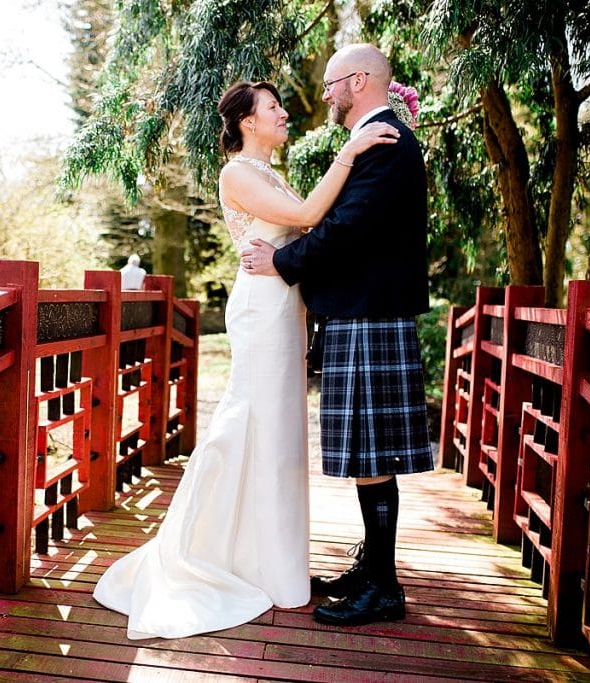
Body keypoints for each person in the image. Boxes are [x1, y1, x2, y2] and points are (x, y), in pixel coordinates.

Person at [92, 78, 398, 640]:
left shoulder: (269, 173)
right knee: (255, 422)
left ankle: (271, 563)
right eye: (275, 108)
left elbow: (307, 226)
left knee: (279, 433)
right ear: (248, 122)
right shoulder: (237, 173)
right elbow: (308, 215)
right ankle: (216, 551)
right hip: (261, 309)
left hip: (285, 305)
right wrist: (351, 151)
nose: (285, 114)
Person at [241, 43, 434, 626]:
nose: (323, 93)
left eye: (330, 83)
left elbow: (348, 229)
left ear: (357, 81)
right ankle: (372, 569)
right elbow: (340, 221)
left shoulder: (387, 142)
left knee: (373, 454)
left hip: (370, 312)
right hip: (361, 311)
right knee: (366, 453)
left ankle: (384, 587)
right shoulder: (375, 140)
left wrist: (283, 262)